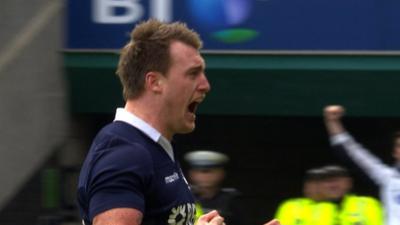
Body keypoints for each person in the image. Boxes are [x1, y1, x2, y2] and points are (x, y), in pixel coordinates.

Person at [76, 19, 280, 225]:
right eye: (193, 73)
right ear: (154, 82)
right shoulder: (124, 155)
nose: (205, 85)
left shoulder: (154, 148)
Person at [324, 105, 400, 225]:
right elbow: (351, 150)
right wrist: (332, 121)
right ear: (395, 152)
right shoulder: (388, 177)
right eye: (399, 146)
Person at [184, 150, 247, 225]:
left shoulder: (231, 200)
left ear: (221, 173)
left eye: (209, 171)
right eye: (200, 171)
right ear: (192, 174)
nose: (205, 176)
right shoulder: (184, 198)